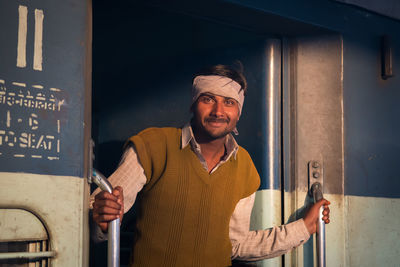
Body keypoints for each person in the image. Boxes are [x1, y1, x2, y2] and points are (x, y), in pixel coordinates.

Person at [91, 64, 330, 266]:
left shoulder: (245, 167)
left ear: (238, 112)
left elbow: (235, 244)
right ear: (193, 104)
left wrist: (305, 227)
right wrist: (102, 221)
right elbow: (97, 214)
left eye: (229, 102)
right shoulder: (152, 145)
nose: (218, 111)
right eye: (208, 99)